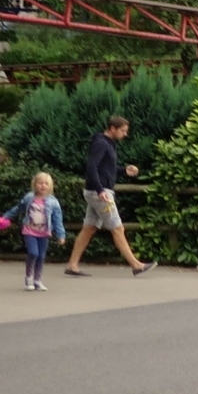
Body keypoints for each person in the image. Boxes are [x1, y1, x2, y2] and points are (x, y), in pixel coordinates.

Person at [66, 116, 155, 277]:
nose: (125, 134)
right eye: (123, 131)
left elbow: (105, 170)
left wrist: (124, 170)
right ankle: (136, 265)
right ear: (112, 128)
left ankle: (72, 265)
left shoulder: (107, 144)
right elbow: (91, 167)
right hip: (100, 193)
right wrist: (100, 190)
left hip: (97, 191)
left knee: (89, 228)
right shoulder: (101, 143)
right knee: (117, 228)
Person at [0, 172, 67, 291]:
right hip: (30, 230)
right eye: (40, 183)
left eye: (46, 183)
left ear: (50, 186)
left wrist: (61, 235)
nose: (43, 186)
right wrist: (5, 217)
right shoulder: (29, 198)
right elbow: (17, 209)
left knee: (41, 256)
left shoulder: (53, 202)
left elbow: (57, 220)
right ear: (35, 184)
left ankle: (37, 280)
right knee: (33, 253)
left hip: (44, 233)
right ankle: (29, 277)